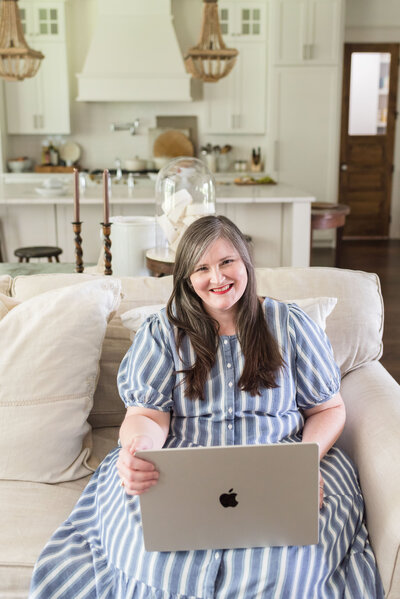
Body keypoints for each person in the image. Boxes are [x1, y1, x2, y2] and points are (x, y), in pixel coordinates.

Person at [29, 215, 383, 598]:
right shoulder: (163, 331)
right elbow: (146, 415)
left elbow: (328, 409)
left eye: (227, 262)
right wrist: (140, 449)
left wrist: (305, 460)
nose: (217, 278)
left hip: (282, 460)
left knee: (287, 567)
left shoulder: (291, 325)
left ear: (246, 261)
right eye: (202, 268)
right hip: (182, 464)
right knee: (156, 558)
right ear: (186, 277)